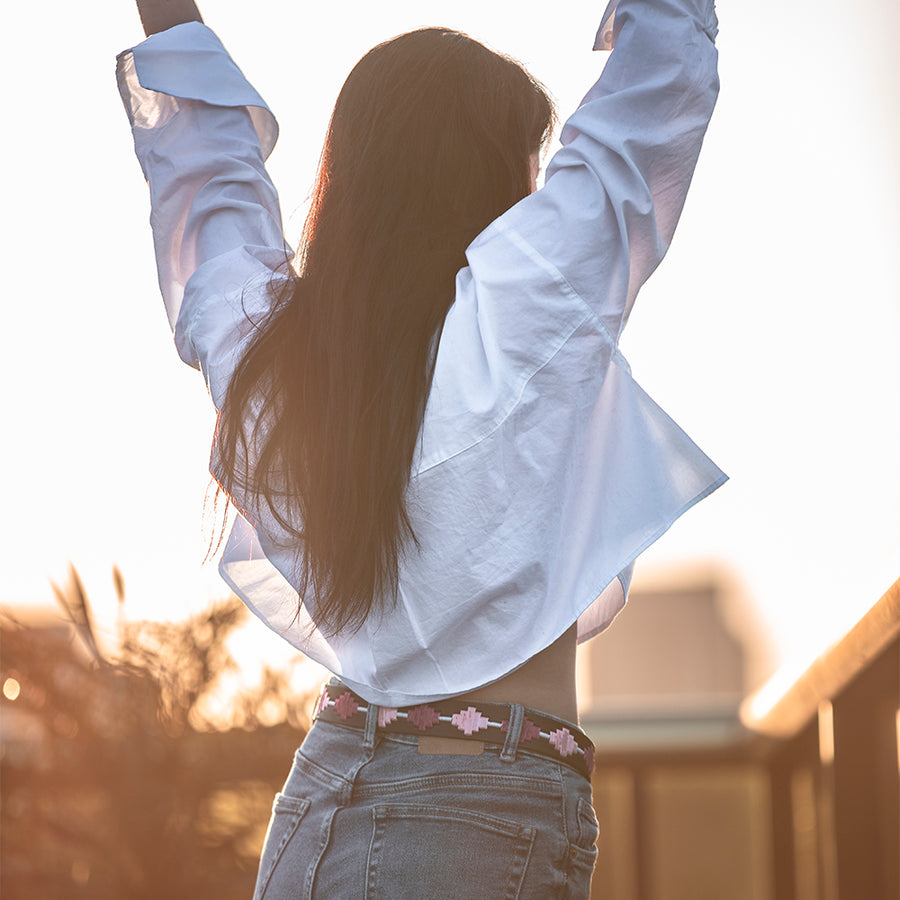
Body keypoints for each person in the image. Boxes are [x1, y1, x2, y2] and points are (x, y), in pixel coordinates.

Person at [119, 0, 723, 896]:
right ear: (489, 180)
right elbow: (653, 101)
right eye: (528, 172)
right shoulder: (526, 306)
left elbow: (208, 184)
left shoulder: (280, 363)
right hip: (474, 816)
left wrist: (167, 14)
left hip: (320, 800)